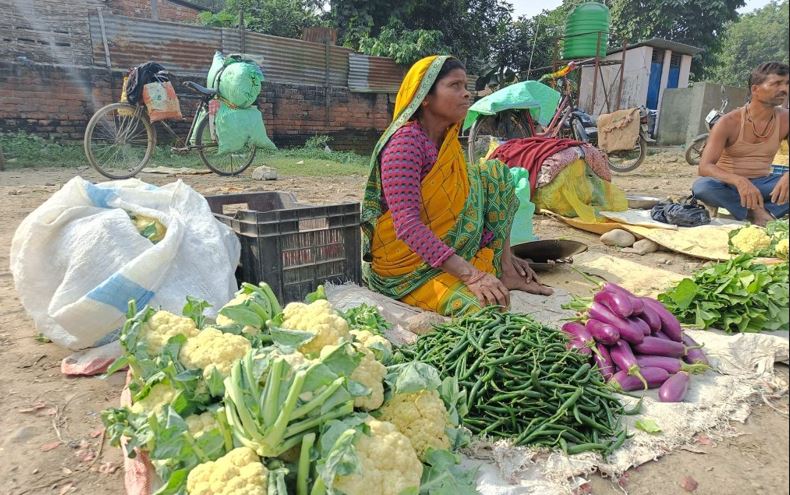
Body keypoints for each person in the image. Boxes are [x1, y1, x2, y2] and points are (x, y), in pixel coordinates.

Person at [361, 55, 553, 317]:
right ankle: (464, 275)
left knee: (494, 174)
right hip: (407, 266)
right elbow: (407, 225)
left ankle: (506, 269)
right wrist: (472, 275)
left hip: (439, 251)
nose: (467, 95)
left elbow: (459, 201)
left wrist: (499, 258)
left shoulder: (446, 140)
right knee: (484, 307)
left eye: (466, 87)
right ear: (424, 97)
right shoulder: (405, 144)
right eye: (455, 86)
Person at [692, 62, 789, 225]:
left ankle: (762, 212)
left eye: (787, 84)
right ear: (755, 90)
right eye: (776, 84)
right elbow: (705, 167)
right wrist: (740, 181)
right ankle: (757, 212)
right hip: (728, 186)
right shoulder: (728, 122)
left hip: (763, 184)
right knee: (703, 187)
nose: (784, 89)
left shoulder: (786, 119)